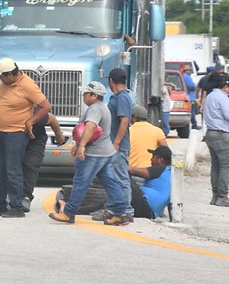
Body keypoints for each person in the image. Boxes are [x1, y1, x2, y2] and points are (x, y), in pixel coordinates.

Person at [49, 81, 129, 226]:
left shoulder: (94, 109)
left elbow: (90, 127)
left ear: (94, 95)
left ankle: (69, 213)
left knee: (81, 183)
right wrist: (78, 144)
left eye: (86, 93)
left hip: (94, 154)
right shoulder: (102, 108)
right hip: (106, 153)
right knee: (111, 183)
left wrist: (82, 146)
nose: (83, 95)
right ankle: (121, 213)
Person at [0, 58, 50, 218]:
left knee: (13, 170)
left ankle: (16, 207)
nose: (0, 79)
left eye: (2, 76)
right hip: (2, 131)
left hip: (16, 134)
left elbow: (46, 106)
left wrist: (31, 121)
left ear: (11, 74)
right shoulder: (5, 83)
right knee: (0, 169)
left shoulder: (28, 85)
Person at [0, 110, 65, 212]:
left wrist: (58, 135)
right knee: (11, 164)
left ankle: (25, 197)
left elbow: (52, 119)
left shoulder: (34, 115)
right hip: (14, 139)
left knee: (30, 165)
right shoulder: (6, 124)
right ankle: (9, 196)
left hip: (35, 139)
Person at [95, 67, 134, 222]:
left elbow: (125, 121)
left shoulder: (123, 98)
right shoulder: (117, 97)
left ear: (111, 81)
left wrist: (116, 142)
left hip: (118, 146)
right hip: (111, 145)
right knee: (112, 178)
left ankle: (126, 211)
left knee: (121, 178)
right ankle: (112, 208)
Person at [203, 72, 229, 207]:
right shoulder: (222, 97)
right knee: (226, 166)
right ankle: (222, 196)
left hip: (211, 133)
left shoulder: (210, 96)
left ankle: (215, 195)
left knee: (216, 166)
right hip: (222, 135)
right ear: (225, 85)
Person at [128, 145, 173, 219]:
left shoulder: (160, 169)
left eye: (153, 157)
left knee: (123, 178)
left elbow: (131, 170)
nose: (151, 160)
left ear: (160, 160)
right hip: (150, 212)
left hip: (145, 205)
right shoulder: (170, 172)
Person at [128, 104, 169, 171]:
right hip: (150, 172)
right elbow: (166, 152)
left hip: (132, 172)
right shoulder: (157, 131)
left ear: (134, 118)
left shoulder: (128, 132)